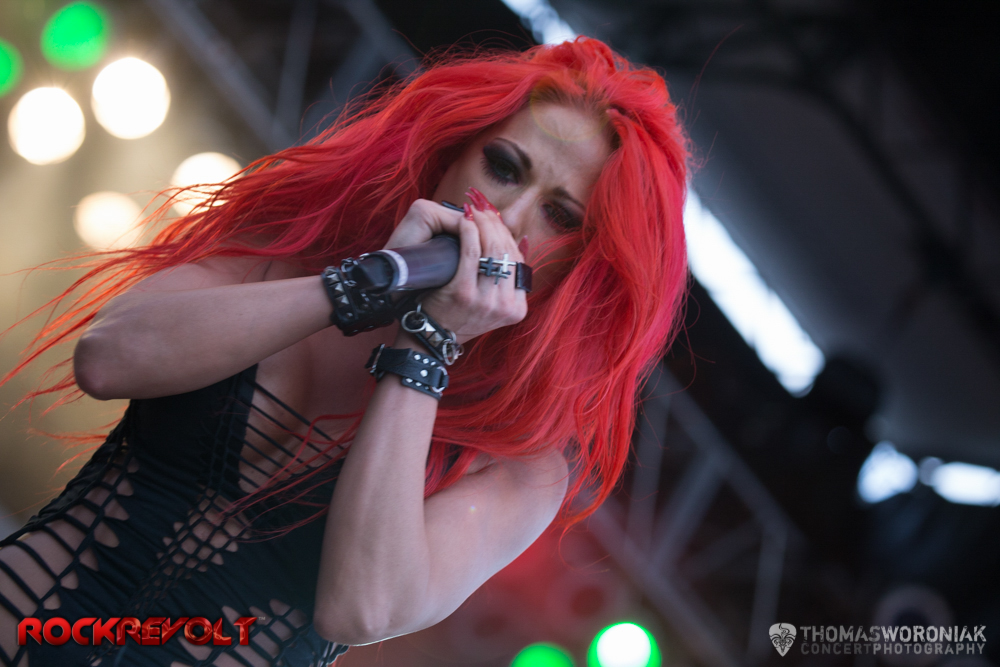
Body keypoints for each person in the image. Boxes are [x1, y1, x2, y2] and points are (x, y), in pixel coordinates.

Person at [0, 37, 689, 666]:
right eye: (504, 167)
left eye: (560, 214)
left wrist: (428, 340)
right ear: (453, 152)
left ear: (583, 264)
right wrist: (362, 286)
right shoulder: (283, 254)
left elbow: (362, 608)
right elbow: (106, 358)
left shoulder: (518, 464)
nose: (506, 218)